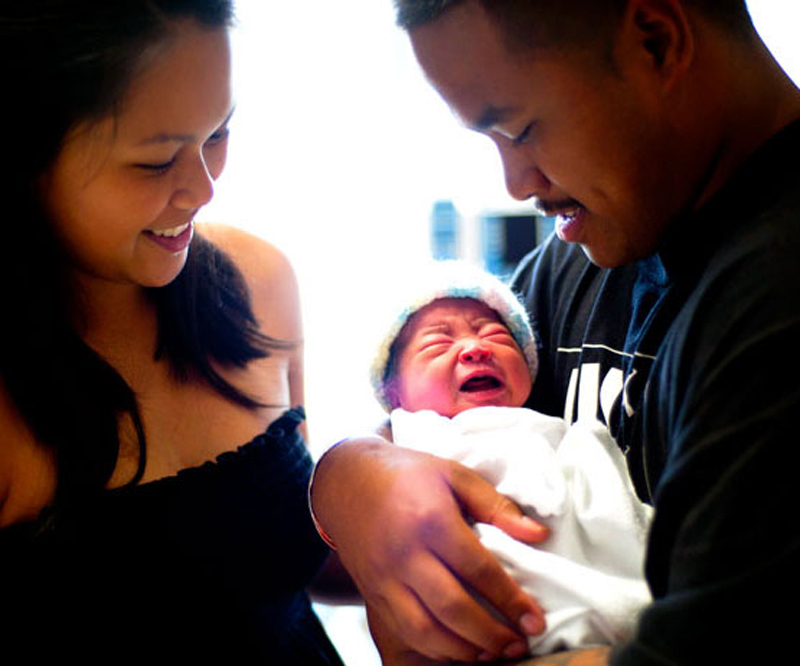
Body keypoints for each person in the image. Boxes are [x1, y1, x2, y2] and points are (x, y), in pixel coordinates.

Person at [309, 1, 800, 664]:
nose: (517, 184)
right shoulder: (576, 266)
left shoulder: (771, 302)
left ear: (656, 43)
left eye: (521, 129)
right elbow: (438, 421)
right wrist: (352, 475)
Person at [0, 2, 348, 662]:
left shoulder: (259, 280)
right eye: (157, 161)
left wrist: (383, 500)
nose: (205, 187)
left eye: (219, 133)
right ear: (27, 159)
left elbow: (277, 567)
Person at [370, 260, 653, 661]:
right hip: (502, 618)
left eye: (496, 334)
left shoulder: (554, 428)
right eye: (438, 343)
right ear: (394, 393)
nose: (475, 347)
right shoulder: (415, 442)